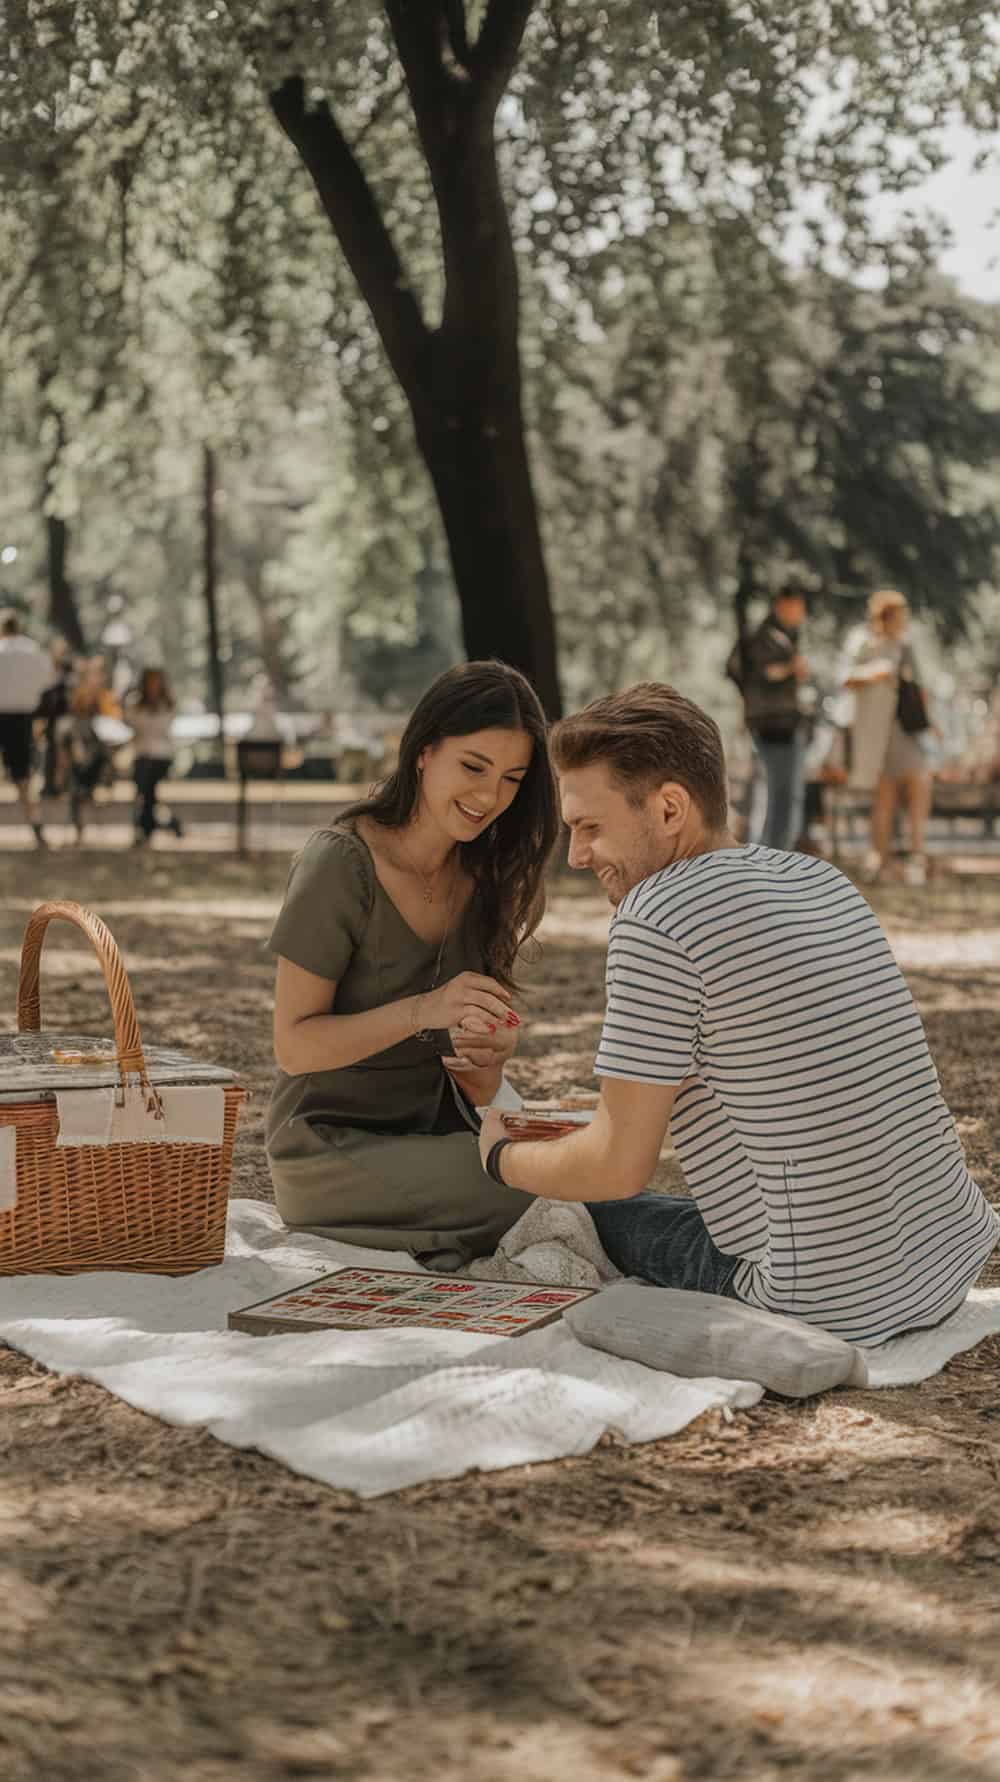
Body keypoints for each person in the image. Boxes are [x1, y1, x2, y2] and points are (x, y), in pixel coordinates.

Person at [477, 683, 998, 1346]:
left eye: (590, 827)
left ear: (670, 808)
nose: (576, 856)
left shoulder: (656, 919)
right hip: (946, 1261)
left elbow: (616, 1165)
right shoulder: (822, 881)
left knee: (589, 1204)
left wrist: (501, 1157)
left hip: (828, 1300)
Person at [266, 660, 558, 1268]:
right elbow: (293, 1047)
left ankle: (436, 1239)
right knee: (537, 1184)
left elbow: (471, 1070)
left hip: (436, 1133)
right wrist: (423, 1010)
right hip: (328, 1147)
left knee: (580, 1162)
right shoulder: (340, 864)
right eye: (473, 767)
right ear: (423, 751)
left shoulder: (484, 878)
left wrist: (487, 1062)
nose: (489, 797)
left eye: (511, 779)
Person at [840, 589, 933, 886]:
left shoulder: (906, 647)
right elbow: (846, 677)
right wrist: (876, 673)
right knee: (884, 797)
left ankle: (917, 856)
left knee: (918, 785)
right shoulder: (863, 643)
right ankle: (880, 859)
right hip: (875, 732)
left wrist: (929, 723)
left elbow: (918, 689)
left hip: (904, 730)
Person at [729, 592, 811, 851]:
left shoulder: (783, 636)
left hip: (780, 723)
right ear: (783, 605)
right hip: (775, 725)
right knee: (780, 793)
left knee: (778, 792)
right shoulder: (767, 638)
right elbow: (764, 674)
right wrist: (792, 668)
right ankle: (772, 853)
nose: (801, 614)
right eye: (798, 607)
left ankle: (773, 851)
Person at [0, 609, 55, 847]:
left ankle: (36, 825)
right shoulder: (32, 650)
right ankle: (35, 824)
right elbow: (48, 680)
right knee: (22, 776)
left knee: (21, 775)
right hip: (21, 718)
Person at [57, 663, 121, 843]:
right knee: (76, 791)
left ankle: (82, 825)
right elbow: (65, 749)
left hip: (93, 766)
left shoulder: (100, 719)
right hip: (79, 767)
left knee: (78, 789)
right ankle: (79, 828)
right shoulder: (71, 724)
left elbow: (107, 747)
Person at [125, 667, 183, 844]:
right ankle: (160, 823)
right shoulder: (135, 704)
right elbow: (133, 724)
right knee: (146, 785)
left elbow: (162, 729)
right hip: (142, 754)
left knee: (146, 785)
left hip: (161, 756)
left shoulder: (167, 705)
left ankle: (147, 826)